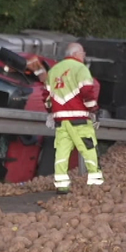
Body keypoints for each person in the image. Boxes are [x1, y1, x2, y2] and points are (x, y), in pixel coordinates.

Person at [45, 42, 104, 193]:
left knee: (61, 152)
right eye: (83, 53)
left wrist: (51, 112)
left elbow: (47, 96)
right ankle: (95, 182)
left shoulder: (53, 71)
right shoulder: (80, 68)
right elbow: (87, 91)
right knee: (89, 147)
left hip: (60, 120)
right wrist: (93, 109)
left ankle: (61, 185)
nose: (84, 56)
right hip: (79, 119)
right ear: (76, 53)